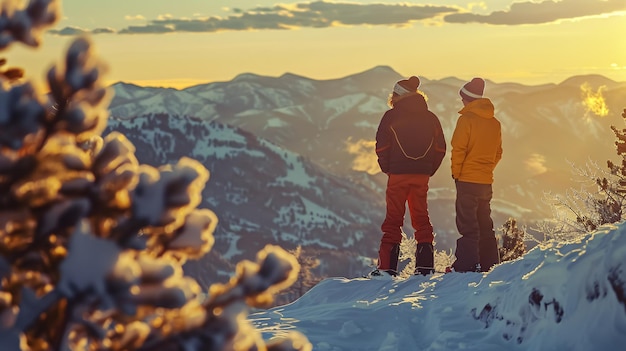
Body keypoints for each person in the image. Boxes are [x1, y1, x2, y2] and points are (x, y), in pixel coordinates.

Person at [372, 76, 446, 277]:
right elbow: (441, 148)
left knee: (393, 219)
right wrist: (429, 169)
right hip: (422, 175)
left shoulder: (390, 116)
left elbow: (381, 145)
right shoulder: (431, 118)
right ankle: (425, 266)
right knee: (421, 217)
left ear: (397, 95)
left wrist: (387, 168)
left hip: (397, 174)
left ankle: (387, 268)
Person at [450, 77, 503, 273]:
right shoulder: (494, 123)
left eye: (462, 99)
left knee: (468, 225)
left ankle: (466, 265)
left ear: (468, 99)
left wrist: (457, 174)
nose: (461, 102)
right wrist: (486, 170)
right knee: (485, 223)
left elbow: (458, 150)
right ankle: (490, 264)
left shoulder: (466, 120)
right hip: (485, 181)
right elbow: (498, 153)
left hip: (467, 180)